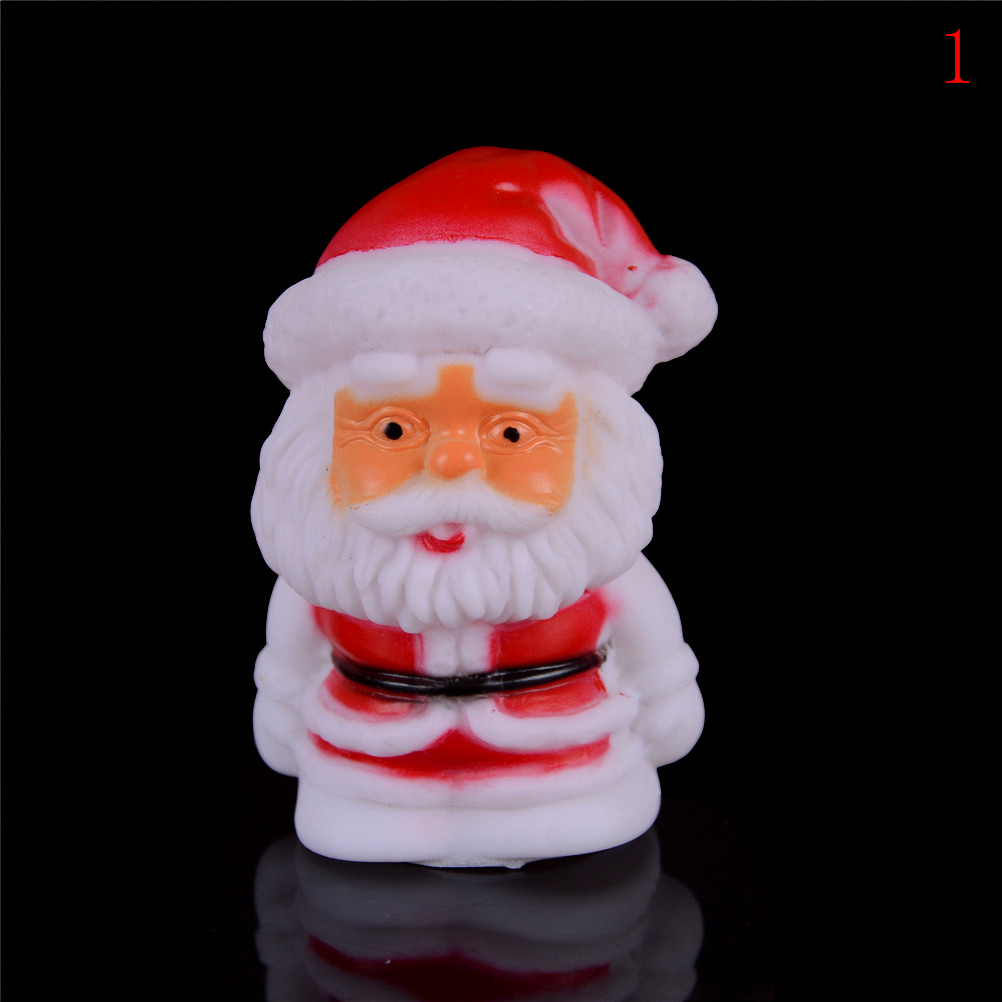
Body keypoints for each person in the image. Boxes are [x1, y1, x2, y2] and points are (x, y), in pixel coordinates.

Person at [251, 147, 717, 867]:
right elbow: (290, 656)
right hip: (368, 780)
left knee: (578, 845)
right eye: (394, 430)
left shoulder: (597, 574)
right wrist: (280, 700)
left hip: (565, 777)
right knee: (358, 837)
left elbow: (653, 650)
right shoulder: (330, 576)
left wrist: (666, 695)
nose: (453, 463)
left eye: (511, 433)